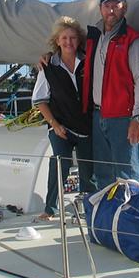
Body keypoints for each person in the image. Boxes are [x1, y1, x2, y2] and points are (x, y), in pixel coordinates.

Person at [82, 0, 139, 189]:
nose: (111, 10)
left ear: (124, 8)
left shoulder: (133, 41)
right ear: (101, 9)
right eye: (107, 5)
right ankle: (108, 218)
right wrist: (49, 56)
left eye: (115, 6)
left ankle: (132, 218)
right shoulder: (94, 37)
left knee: (127, 176)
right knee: (103, 175)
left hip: (122, 118)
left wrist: (138, 117)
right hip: (97, 115)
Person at [31, 16, 91, 220]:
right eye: (64, 38)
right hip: (60, 125)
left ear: (79, 40)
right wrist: (54, 124)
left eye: (73, 38)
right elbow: (40, 100)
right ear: (57, 41)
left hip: (86, 125)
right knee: (60, 163)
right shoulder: (48, 67)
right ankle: (50, 209)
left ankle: (89, 208)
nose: (68, 42)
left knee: (88, 167)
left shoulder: (88, 62)